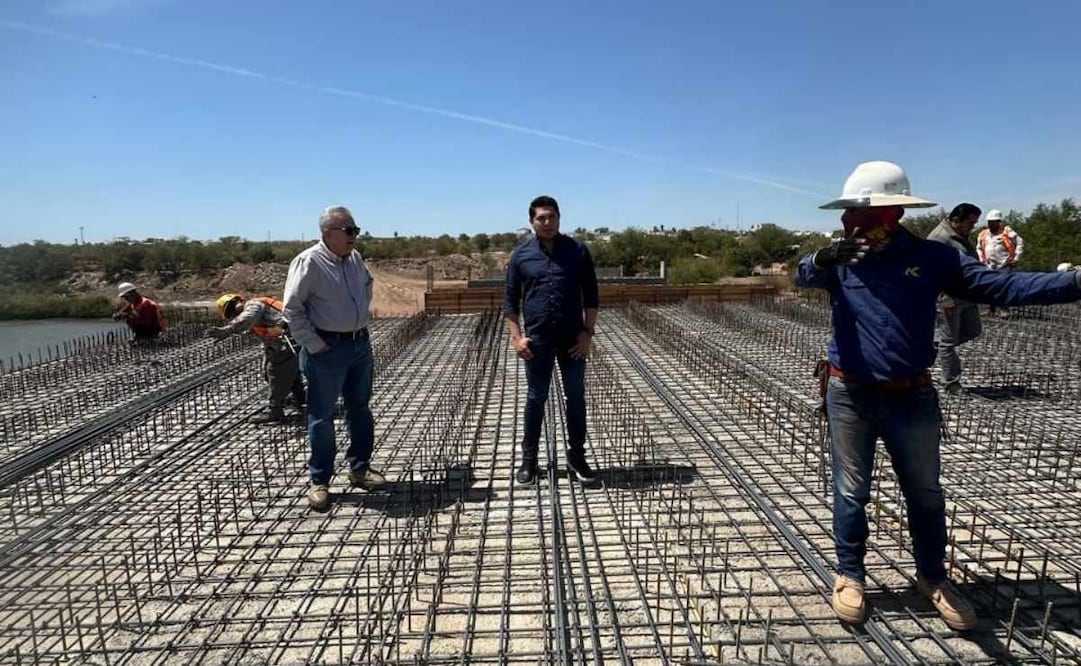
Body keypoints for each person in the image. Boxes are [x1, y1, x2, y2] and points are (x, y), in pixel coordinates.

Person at [795, 161, 1081, 631]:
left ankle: (933, 578)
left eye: (871, 215)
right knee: (851, 491)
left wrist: (1072, 282)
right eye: (855, 216)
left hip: (911, 395)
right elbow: (802, 275)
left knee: (925, 493)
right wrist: (823, 259)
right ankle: (850, 575)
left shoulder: (932, 257)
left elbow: (1001, 286)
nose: (860, 224)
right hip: (850, 392)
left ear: (896, 214)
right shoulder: (841, 258)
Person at [282, 205, 386, 511]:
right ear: (328, 233)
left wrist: (357, 320)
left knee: (360, 408)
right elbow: (292, 310)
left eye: (356, 230)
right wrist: (315, 345)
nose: (355, 236)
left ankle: (360, 468)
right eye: (349, 230)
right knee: (322, 417)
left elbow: (367, 285)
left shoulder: (354, 259)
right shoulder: (309, 262)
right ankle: (320, 480)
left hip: (358, 344)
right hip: (327, 349)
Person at [503, 195, 600, 486]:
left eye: (552, 217)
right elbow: (510, 301)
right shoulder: (521, 256)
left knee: (576, 397)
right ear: (532, 222)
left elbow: (592, 295)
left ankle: (577, 457)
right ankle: (529, 460)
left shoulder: (577, 251)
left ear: (559, 218)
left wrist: (587, 333)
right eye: (541, 218)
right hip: (538, 341)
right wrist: (517, 338)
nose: (547, 222)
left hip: (573, 340)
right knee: (536, 398)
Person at [206, 293, 306, 424]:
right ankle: (301, 401)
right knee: (290, 374)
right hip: (289, 343)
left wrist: (228, 330)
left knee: (275, 373)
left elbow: (247, 318)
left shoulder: (253, 305)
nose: (234, 314)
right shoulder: (256, 312)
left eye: (231, 311)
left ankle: (275, 411)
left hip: (286, 344)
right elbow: (265, 333)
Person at [927, 203, 982, 394]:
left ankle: (932, 345)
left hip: (966, 295)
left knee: (973, 330)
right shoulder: (939, 238)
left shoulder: (960, 235)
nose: (973, 226)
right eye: (971, 223)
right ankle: (951, 383)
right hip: (950, 298)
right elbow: (931, 272)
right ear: (957, 220)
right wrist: (944, 298)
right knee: (948, 342)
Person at [977, 209, 1024, 318]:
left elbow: (1020, 242)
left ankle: (1004, 310)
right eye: (989, 222)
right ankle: (991, 309)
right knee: (990, 287)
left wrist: (1016, 258)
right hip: (989, 265)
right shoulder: (984, 234)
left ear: (999, 222)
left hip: (1004, 265)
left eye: (993, 222)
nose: (990, 224)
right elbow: (979, 248)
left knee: (1003, 287)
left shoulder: (1007, 232)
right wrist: (981, 260)